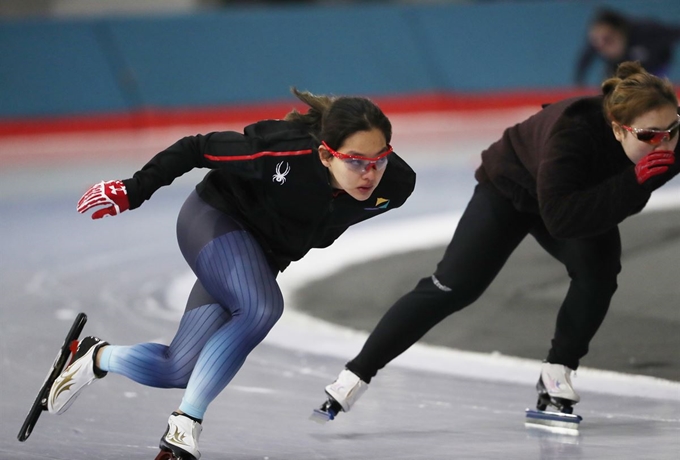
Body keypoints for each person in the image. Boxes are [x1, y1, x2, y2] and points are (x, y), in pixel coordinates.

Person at [46, 87, 416, 460]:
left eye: (379, 159)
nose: (370, 173)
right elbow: (196, 147)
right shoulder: (283, 152)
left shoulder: (396, 185)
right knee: (261, 308)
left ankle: (92, 356)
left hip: (261, 257)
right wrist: (134, 189)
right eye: (355, 161)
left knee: (178, 368)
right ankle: (185, 425)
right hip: (213, 222)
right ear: (324, 153)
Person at [321, 61, 679, 420]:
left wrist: (636, 177)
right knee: (454, 286)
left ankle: (557, 375)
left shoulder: (667, 137)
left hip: (577, 195)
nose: (663, 143)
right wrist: (633, 182)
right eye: (649, 136)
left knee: (599, 272)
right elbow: (562, 220)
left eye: (672, 130)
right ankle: (355, 375)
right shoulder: (574, 135)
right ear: (618, 130)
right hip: (513, 186)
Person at [575, 8, 680, 86]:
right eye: (595, 41)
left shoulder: (647, 32)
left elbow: (675, 33)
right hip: (621, 67)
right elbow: (584, 63)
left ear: (620, 31)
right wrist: (579, 83)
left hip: (656, 64)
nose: (602, 47)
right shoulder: (598, 44)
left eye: (608, 39)